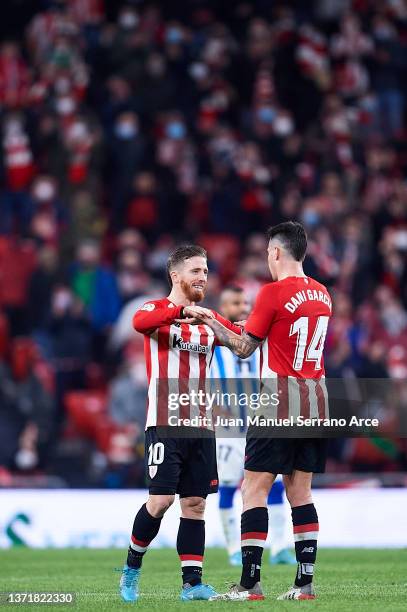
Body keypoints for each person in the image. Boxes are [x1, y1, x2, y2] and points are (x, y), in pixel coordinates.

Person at [187, 222, 332, 601]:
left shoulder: (271, 293)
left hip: (277, 399)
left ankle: (250, 584)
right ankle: (305, 585)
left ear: (276, 253)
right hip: (315, 400)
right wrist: (239, 326)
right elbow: (281, 333)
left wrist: (210, 321)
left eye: (269, 252)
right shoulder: (323, 294)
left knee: (254, 488)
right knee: (301, 494)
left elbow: (244, 349)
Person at [119, 245, 241, 603]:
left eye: (205, 271)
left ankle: (192, 585)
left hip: (201, 426)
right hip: (164, 421)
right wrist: (182, 310)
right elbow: (139, 324)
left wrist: (217, 323)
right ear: (176, 275)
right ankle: (131, 568)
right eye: (196, 271)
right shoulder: (156, 310)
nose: (203, 277)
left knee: (195, 505)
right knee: (160, 501)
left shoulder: (209, 318)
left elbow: (242, 344)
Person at [211, 285, 295, 567]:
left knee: (275, 485)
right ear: (223, 308)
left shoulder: (263, 342)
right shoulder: (212, 345)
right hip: (228, 431)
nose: (243, 307)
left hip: (261, 426)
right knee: (228, 487)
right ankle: (234, 548)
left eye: (246, 302)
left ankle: (280, 547)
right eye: (236, 302)